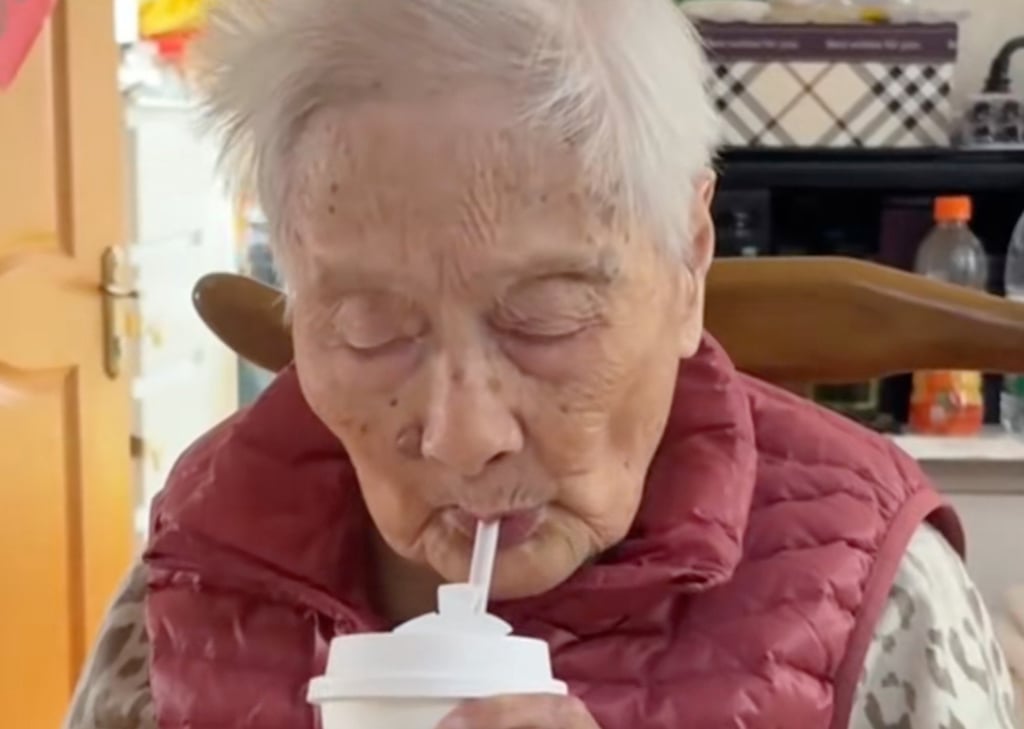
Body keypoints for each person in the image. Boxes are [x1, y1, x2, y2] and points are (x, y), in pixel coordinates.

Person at [63, 1, 1019, 728]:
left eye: (547, 319)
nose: (465, 434)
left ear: (690, 259)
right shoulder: (204, 555)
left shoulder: (876, 597)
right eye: (365, 329)